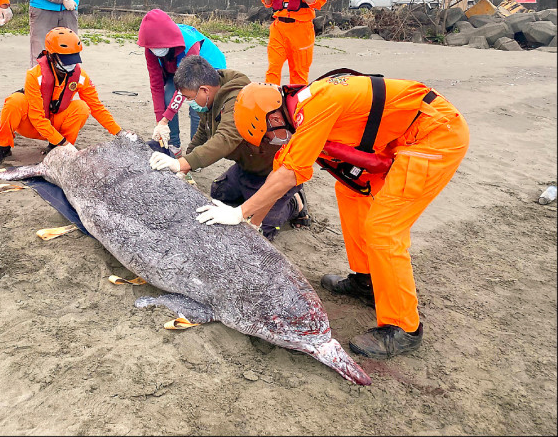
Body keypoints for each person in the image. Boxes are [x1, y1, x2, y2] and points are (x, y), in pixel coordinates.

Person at [196, 72, 470, 359]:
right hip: (397, 136)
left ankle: (404, 328)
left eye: (267, 137)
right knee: (350, 192)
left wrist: (238, 212)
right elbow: (279, 173)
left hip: (434, 135)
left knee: (384, 230)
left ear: (274, 120)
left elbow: (289, 175)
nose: (271, 143)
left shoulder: (316, 108)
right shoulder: (295, 111)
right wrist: (252, 224)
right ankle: (366, 280)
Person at [148, 55, 308, 241]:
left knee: (264, 227)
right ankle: (254, 195)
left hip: (272, 170)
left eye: (189, 98)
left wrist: (181, 163)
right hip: (246, 165)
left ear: (204, 90)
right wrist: (188, 164)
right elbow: (204, 131)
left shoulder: (238, 98)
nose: (188, 102)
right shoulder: (211, 99)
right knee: (219, 193)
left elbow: (226, 138)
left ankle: (296, 202)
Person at [0, 28, 132, 166]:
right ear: (51, 56)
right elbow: (36, 117)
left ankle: (57, 148)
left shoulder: (80, 77)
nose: (71, 64)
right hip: (31, 125)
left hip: (56, 123)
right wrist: (63, 142)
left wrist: (119, 132)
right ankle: (2, 147)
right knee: (15, 101)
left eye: (74, 58)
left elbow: (97, 107)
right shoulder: (34, 75)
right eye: (67, 59)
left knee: (82, 107)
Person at [138, 9, 227, 158]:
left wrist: (166, 118)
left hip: (206, 67)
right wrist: (161, 122)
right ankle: (173, 145)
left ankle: (196, 152)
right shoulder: (151, 49)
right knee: (167, 96)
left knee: (197, 105)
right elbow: (156, 85)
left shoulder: (189, 44)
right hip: (177, 69)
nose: (155, 51)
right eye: (152, 48)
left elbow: (185, 88)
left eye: (158, 48)